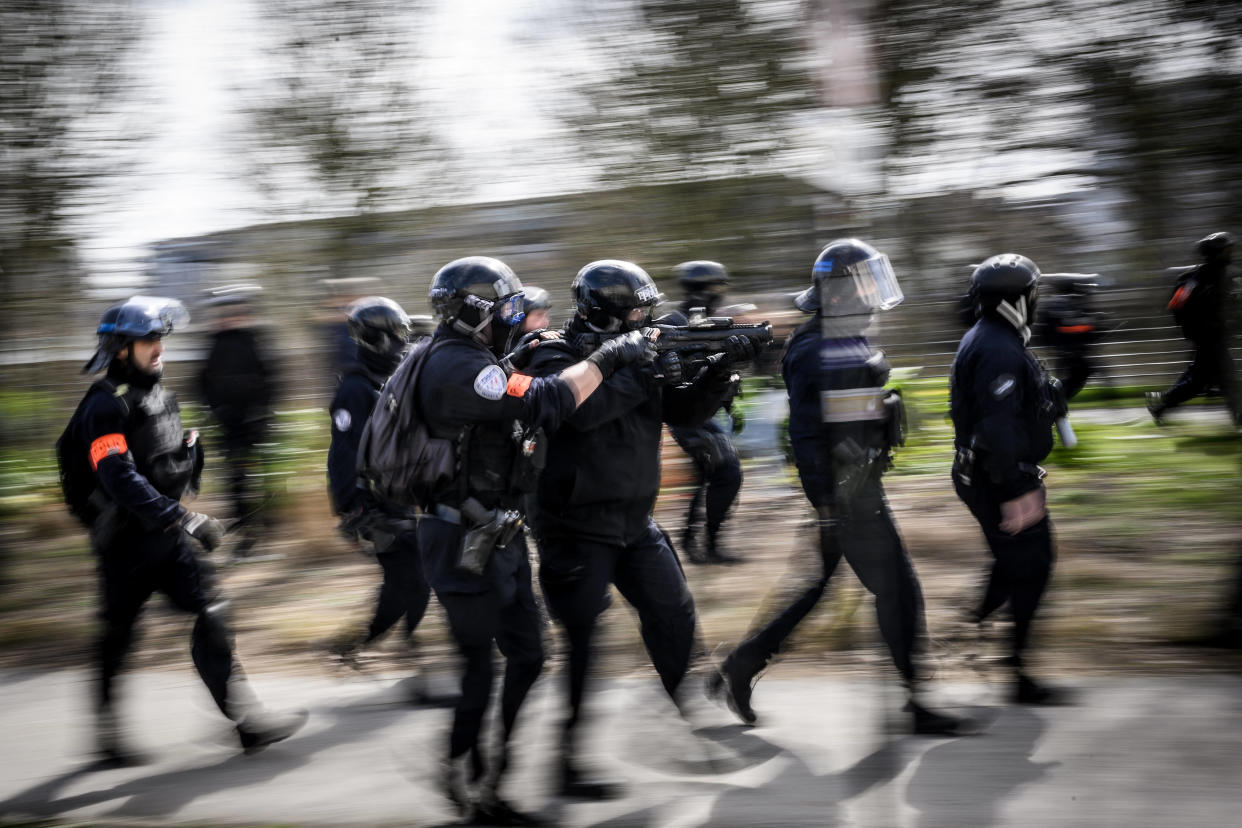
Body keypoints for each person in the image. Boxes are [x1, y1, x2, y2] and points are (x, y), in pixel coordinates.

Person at [416, 256, 655, 823]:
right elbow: (546, 399)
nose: (517, 315)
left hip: (499, 532)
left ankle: (490, 775)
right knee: (481, 667)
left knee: (529, 655)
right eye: (508, 306)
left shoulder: (481, 357)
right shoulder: (456, 367)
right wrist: (608, 357)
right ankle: (470, 782)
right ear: (478, 313)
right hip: (457, 539)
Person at [711, 239, 963, 735]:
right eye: (866, 281)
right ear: (841, 290)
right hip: (847, 495)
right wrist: (826, 504)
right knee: (899, 590)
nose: (873, 291)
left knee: (817, 586)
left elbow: (848, 406)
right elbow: (805, 435)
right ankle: (917, 701)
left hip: (857, 484)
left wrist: (882, 412)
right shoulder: (813, 347)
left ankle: (742, 664)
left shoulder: (843, 334)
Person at [523, 260, 754, 799]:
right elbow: (580, 413)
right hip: (573, 524)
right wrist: (640, 365)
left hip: (632, 519)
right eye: (636, 308)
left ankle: (691, 711)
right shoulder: (552, 352)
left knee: (673, 611)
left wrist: (721, 366)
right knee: (584, 643)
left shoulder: (639, 353)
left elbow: (686, 413)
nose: (645, 316)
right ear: (605, 311)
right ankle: (568, 761)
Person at [67, 297, 306, 765]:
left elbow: (166, 467)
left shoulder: (159, 395)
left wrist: (190, 454)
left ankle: (246, 723)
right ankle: (105, 736)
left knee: (212, 614)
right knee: (118, 635)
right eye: (148, 340)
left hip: (167, 539)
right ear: (120, 348)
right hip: (125, 546)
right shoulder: (104, 406)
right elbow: (117, 475)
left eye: (161, 339)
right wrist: (182, 517)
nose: (159, 348)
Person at [950, 254, 1066, 704]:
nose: (1038, 300)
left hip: (995, 472)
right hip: (996, 477)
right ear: (1016, 299)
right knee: (1033, 565)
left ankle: (973, 627)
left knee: (1016, 559)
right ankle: (1015, 672)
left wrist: (1050, 399)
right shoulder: (997, 346)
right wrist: (1016, 490)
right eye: (1033, 293)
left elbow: (1009, 410)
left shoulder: (998, 337)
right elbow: (996, 427)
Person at [323, 297, 432, 679]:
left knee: (410, 581)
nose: (402, 344)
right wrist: (352, 509)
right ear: (375, 338)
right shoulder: (355, 389)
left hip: (398, 497)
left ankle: (355, 644)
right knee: (413, 581)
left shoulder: (383, 380)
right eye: (396, 336)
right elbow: (343, 452)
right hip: (372, 503)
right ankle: (408, 656)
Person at [662, 261, 746, 565]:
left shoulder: (706, 320)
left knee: (707, 474)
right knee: (727, 471)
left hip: (700, 412)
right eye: (718, 288)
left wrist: (728, 401)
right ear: (708, 289)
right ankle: (708, 545)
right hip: (683, 414)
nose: (722, 295)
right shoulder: (674, 322)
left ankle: (692, 541)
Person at [197, 284, 280, 559]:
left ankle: (267, 524)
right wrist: (213, 410)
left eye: (235, 311)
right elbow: (201, 382)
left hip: (257, 421)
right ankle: (246, 531)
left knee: (263, 478)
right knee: (236, 479)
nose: (228, 317)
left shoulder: (256, 339)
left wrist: (264, 411)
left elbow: (273, 378)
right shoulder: (213, 343)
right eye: (224, 312)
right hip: (229, 424)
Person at [1147, 232, 1239, 425]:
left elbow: (1232, 304)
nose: (1230, 254)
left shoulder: (1225, 277)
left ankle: (1161, 405)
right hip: (1206, 338)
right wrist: (1198, 327)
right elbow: (1177, 305)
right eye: (1226, 251)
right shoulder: (1195, 279)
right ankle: (1238, 417)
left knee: (1199, 381)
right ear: (1214, 253)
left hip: (1218, 337)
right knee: (1223, 377)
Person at [1036, 273, 1105, 401]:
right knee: (1079, 375)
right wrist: (1092, 325)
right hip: (1068, 349)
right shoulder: (1064, 303)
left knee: (1069, 377)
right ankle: (1055, 401)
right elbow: (1070, 325)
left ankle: (1056, 400)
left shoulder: (1055, 302)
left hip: (1061, 348)